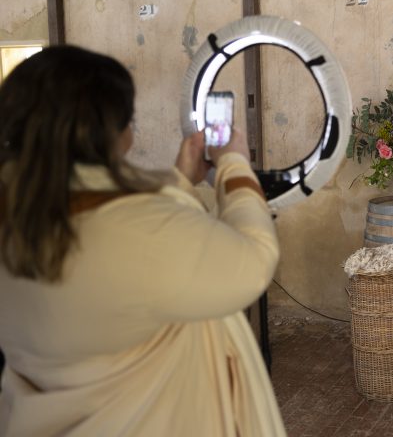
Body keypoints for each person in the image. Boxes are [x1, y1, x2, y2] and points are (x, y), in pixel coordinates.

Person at [0, 45, 285, 436]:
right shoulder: (134, 229)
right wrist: (234, 164)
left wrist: (179, 181)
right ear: (112, 134)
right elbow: (253, 261)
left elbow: (144, 245)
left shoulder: (19, 210)